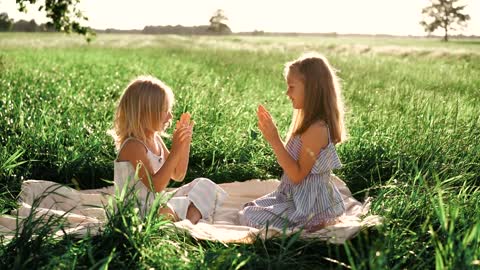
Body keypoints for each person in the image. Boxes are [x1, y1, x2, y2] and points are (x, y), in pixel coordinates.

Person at [240, 53, 347, 232]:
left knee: (250, 217)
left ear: (311, 89)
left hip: (309, 204)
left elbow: (297, 175)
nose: (287, 93)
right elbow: (293, 165)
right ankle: (312, 221)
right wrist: (272, 136)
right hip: (293, 195)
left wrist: (274, 139)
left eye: (291, 87)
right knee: (248, 208)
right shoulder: (309, 123)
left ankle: (318, 221)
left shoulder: (317, 129)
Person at [112, 75, 227, 224]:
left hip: (155, 202)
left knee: (206, 186)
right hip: (135, 213)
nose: (170, 116)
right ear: (145, 113)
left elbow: (178, 174)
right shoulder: (133, 146)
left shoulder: (155, 139)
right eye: (164, 111)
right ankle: (188, 222)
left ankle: (188, 221)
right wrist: (174, 151)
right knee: (165, 211)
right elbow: (155, 186)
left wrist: (184, 143)